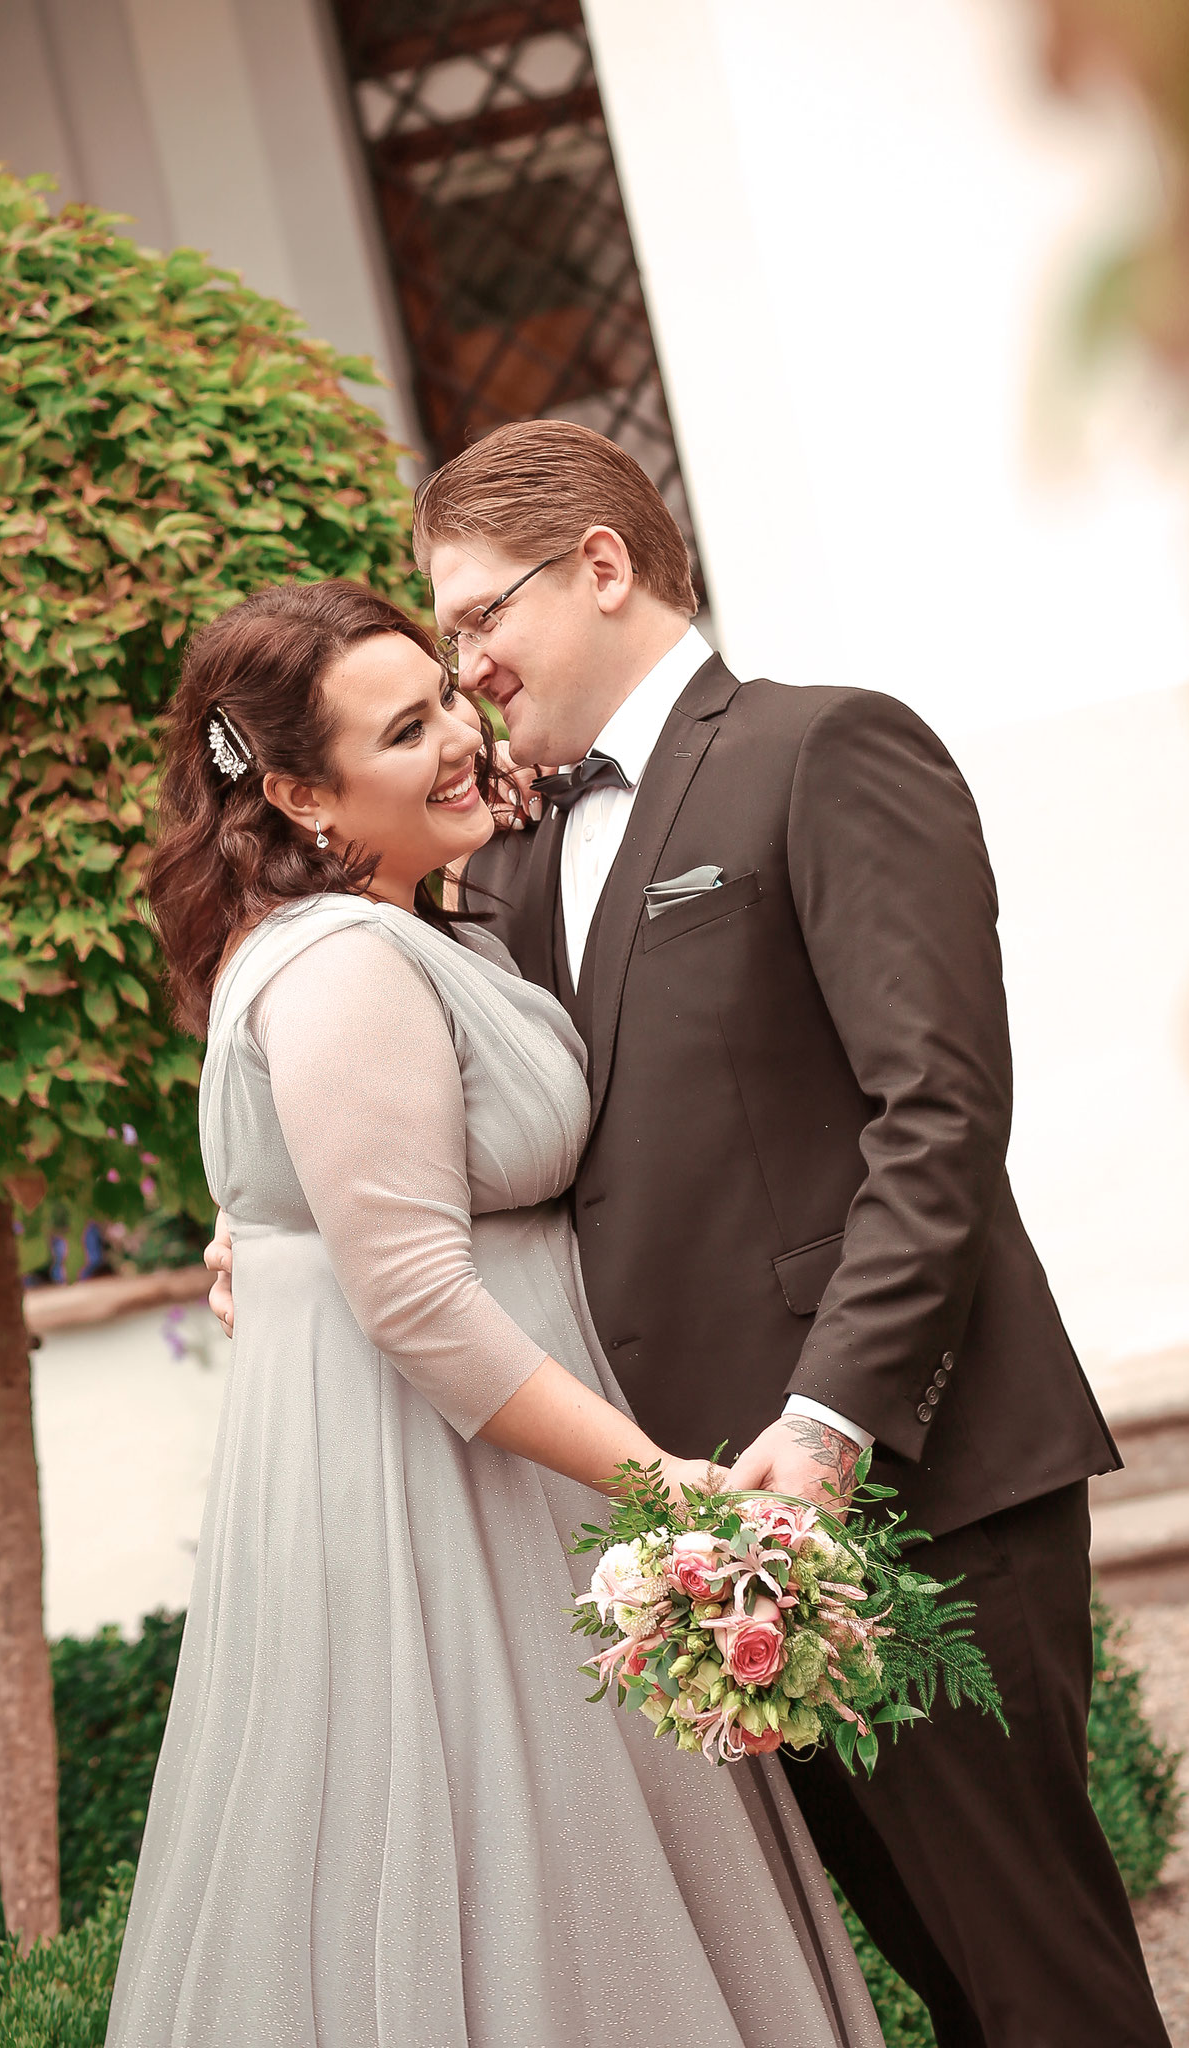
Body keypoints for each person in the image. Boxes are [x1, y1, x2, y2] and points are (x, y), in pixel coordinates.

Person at [214, 421, 1172, 2048]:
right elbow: (440, 1114)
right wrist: (285, 1237)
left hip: (910, 1486)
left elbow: (933, 1117)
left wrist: (824, 1423)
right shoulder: (497, 854)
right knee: (941, 1989)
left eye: (477, 617)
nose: (468, 668)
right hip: (694, 1541)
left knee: (1041, 1988)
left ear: (598, 565)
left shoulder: (825, 750)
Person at [107, 578, 881, 2048]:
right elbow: (409, 1296)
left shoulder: (403, 920)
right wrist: (674, 1498)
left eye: (447, 697)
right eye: (406, 731)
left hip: (501, 1470)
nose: (461, 736)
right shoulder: (343, 961)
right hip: (452, 1494)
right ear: (294, 790)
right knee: (521, 1875)